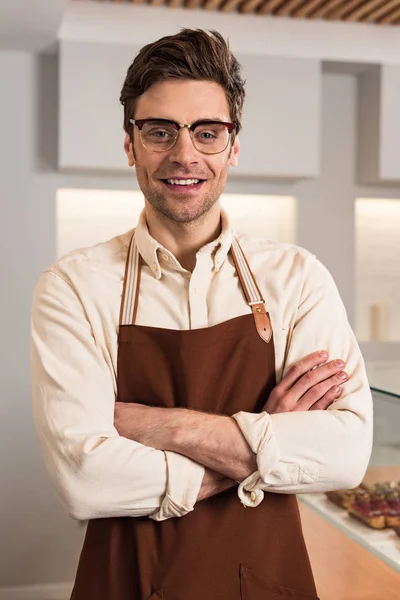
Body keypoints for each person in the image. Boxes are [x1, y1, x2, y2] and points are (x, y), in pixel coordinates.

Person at [31, 29, 372, 600]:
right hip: (126, 583)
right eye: (160, 131)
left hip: (267, 579)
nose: (184, 154)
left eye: (207, 132)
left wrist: (156, 425)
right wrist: (267, 437)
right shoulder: (73, 286)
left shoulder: (297, 279)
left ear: (232, 147)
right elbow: (83, 480)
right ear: (130, 145)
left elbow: (346, 454)